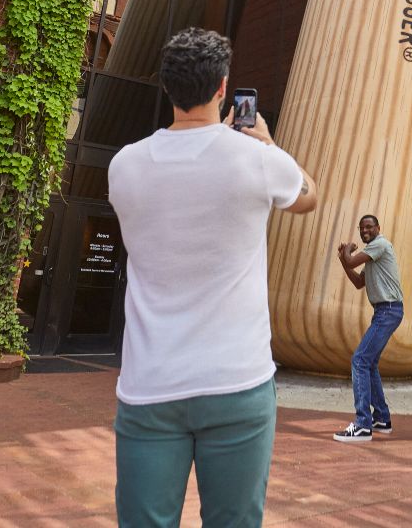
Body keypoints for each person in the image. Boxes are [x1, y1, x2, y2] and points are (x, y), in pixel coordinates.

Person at [108, 28, 317, 527]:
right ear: (223, 87)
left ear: (166, 87)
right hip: (237, 381)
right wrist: (269, 144)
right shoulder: (257, 160)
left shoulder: (123, 166)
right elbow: (309, 196)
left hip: (149, 384)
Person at [333, 214, 404, 442]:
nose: (365, 230)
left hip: (389, 310)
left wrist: (349, 250)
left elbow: (352, 260)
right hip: (384, 311)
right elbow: (357, 282)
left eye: (369, 226)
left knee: (359, 360)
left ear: (378, 228)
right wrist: (345, 259)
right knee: (369, 363)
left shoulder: (380, 244)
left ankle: (363, 424)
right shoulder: (372, 254)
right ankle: (381, 419)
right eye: (361, 227)